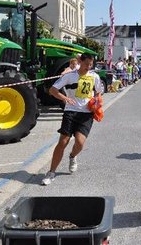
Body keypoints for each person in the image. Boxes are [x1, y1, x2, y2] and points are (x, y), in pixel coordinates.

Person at [42, 53, 104, 185]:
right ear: (80, 62)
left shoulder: (95, 77)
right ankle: (51, 172)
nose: (88, 67)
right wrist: (65, 99)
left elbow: (98, 92)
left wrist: (97, 101)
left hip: (86, 114)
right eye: (87, 63)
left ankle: (72, 156)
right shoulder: (69, 76)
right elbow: (52, 90)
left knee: (80, 143)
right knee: (63, 142)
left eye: (91, 64)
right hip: (70, 112)